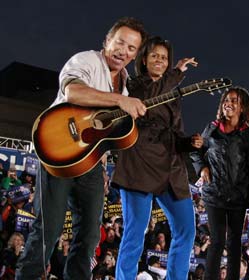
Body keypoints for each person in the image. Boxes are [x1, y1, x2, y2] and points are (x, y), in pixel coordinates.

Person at [15, 17, 148, 280]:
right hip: (59, 152)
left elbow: (105, 131)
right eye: (120, 42)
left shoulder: (125, 82)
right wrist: (120, 100)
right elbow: (74, 92)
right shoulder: (86, 60)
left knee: (89, 236)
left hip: (91, 165)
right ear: (107, 41)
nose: (124, 51)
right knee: (49, 230)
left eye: (132, 48)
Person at [112, 36, 201, 280]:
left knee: (186, 230)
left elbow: (175, 134)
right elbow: (151, 98)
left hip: (171, 170)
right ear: (143, 60)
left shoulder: (172, 94)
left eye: (164, 57)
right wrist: (178, 72)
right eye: (155, 56)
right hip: (139, 166)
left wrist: (188, 143)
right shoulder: (135, 86)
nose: (160, 60)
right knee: (135, 232)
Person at [190, 86, 249, 280]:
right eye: (227, 100)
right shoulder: (211, 129)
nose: (229, 103)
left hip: (238, 197)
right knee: (217, 241)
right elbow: (196, 151)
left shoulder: (248, 136)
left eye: (235, 100)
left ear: (243, 107)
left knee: (234, 242)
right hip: (214, 195)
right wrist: (201, 168)